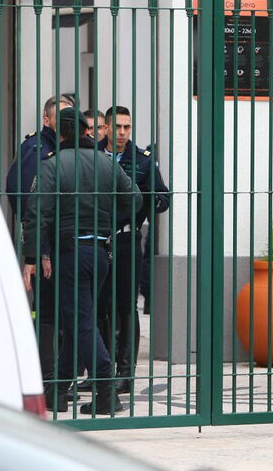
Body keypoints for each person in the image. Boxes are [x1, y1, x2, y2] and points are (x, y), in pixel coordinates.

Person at [22, 107, 141, 414]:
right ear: (87, 130)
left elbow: (38, 213)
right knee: (79, 319)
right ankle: (58, 390)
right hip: (101, 251)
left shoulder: (52, 165)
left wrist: (33, 256)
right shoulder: (105, 162)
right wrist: (111, 220)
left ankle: (105, 387)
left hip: (69, 253)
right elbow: (136, 198)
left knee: (81, 321)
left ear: (60, 133)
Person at [97, 106, 170, 394]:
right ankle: (101, 368)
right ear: (105, 127)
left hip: (126, 240)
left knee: (127, 305)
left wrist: (143, 202)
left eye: (127, 127)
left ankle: (125, 372)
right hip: (97, 239)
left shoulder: (141, 161)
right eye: (118, 127)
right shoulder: (92, 156)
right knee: (100, 306)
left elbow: (162, 198)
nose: (123, 133)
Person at [7, 93, 75, 398]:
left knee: (62, 313)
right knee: (47, 314)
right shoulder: (37, 149)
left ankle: (60, 380)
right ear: (47, 119)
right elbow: (30, 204)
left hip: (68, 243)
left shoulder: (65, 148)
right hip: (49, 245)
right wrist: (41, 250)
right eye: (61, 116)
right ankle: (47, 382)